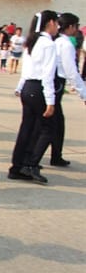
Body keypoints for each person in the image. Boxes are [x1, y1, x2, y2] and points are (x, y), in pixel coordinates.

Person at [8, 10, 58, 183]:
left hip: (28, 88)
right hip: (38, 89)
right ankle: (31, 164)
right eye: (56, 23)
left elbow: (26, 69)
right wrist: (51, 101)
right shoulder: (48, 44)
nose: (57, 26)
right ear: (50, 22)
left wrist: (20, 87)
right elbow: (48, 74)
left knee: (27, 128)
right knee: (47, 129)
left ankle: (17, 166)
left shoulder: (31, 42)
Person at [49, 12, 86, 166]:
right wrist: (83, 93)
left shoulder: (55, 41)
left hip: (53, 82)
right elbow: (71, 71)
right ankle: (36, 159)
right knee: (53, 125)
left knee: (55, 123)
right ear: (70, 27)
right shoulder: (66, 44)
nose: (77, 29)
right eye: (76, 26)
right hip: (57, 83)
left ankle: (55, 155)